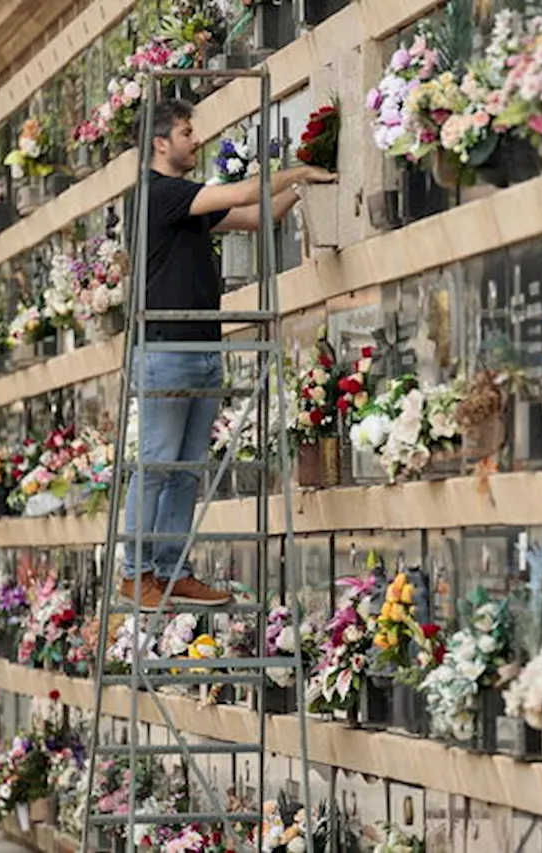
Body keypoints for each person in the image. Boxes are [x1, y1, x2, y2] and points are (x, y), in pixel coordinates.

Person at [120, 98, 336, 610]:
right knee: (156, 465)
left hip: (200, 348)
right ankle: (135, 573)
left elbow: (254, 216)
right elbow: (241, 191)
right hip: (168, 350)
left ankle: (171, 571)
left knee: (187, 469)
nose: (196, 141)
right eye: (187, 132)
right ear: (160, 142)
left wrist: (308, 185)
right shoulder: (158, 193)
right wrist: (297, 169)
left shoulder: (184, 210)